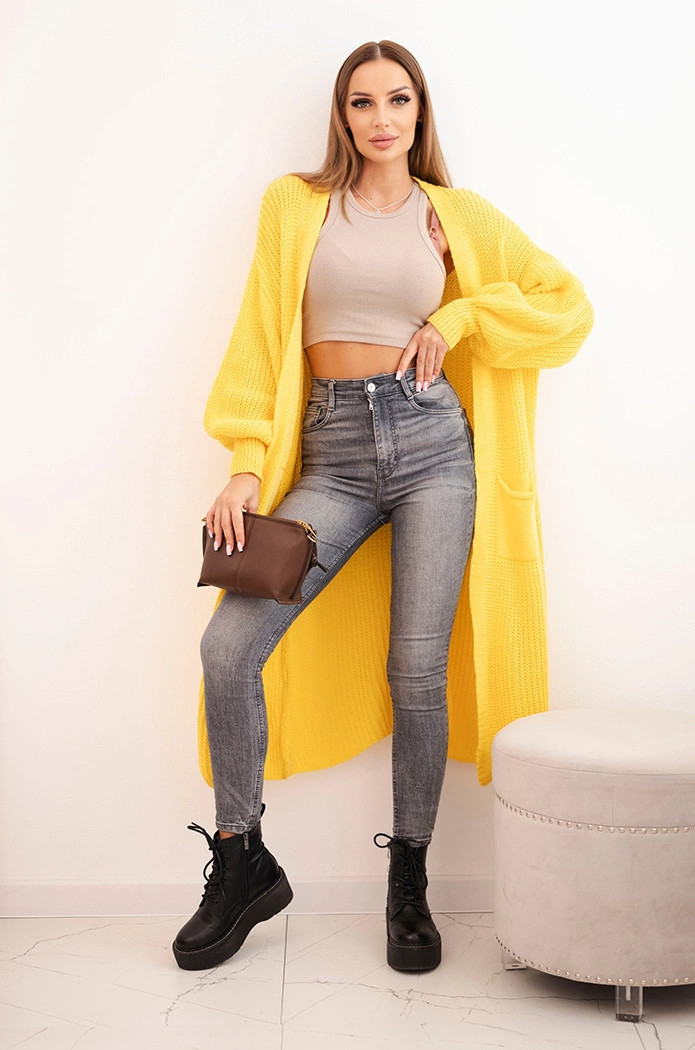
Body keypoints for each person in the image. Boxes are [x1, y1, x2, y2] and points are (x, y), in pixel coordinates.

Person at [172, 39, 594, 974]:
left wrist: (459, 315)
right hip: (331, 456)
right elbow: (261, 334)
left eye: (397, 100)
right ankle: (242, 862)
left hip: (434, 449)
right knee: (228, 648)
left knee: (417, 671)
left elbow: (566, 306)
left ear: (419, 110)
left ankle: (410, 878)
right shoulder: (295, 205)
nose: (381, 118)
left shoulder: (458, 216)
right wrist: (246, 464)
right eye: (362, 102)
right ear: (343, 115)